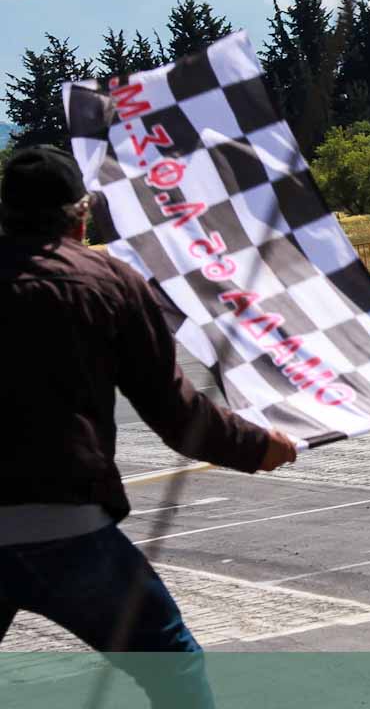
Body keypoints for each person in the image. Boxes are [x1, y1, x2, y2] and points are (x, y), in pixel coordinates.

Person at [0, 146, 298, 708]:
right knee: (172, 666)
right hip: (67, 530)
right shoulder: (109, 282)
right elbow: (176, 414)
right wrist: (258, 446)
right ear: (81, 216)